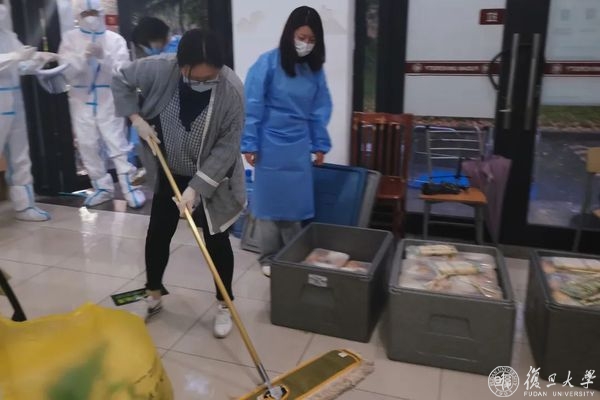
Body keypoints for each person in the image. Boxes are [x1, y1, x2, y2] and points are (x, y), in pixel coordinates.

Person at [112, 29, 246, 338]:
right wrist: (136, 119)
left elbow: (227, 148)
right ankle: (153, 293)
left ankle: (224, 303)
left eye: (210, 77)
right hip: (169, 171)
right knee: (158, 232)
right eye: (197, 78)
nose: (204, 83)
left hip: (212, 176)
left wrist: (196, 188)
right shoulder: (159, 69)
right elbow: (120, 78)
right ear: (181, 66)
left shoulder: (231, 90)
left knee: (216, 240)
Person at [241, 6, 332, 277]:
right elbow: (252, 105)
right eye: (301, 37)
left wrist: (319, 144)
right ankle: (268, 257)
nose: (306, 43)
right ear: (290, 34)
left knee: (295, 205)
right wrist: (249, 143)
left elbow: (319, 109)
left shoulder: (314, 71)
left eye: (311, 40)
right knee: (269, 205)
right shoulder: (267, 63)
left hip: (299, 143)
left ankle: (292, 255)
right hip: (269, 142)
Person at [58, 0, 145, 208]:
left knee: (117, 143)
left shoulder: (115, 40)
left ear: (101, 13)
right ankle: (102, 188)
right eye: (85, 13)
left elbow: (123, 71)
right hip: (81, 99)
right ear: (79, 15)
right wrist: (82, 57)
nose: (90, 17)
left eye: (94, 12)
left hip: (108, 97)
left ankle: (130, 187)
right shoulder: (70, 39)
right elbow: (66, 72)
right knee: (87, 144)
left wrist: (103, 57)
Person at [0, 0, 53, 221]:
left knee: (20, 155)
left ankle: (25, 205)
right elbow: (14, 59)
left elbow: (21, 65)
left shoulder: (8, 35)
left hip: (15, 102)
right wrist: (14, 57)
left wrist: (37, 59)